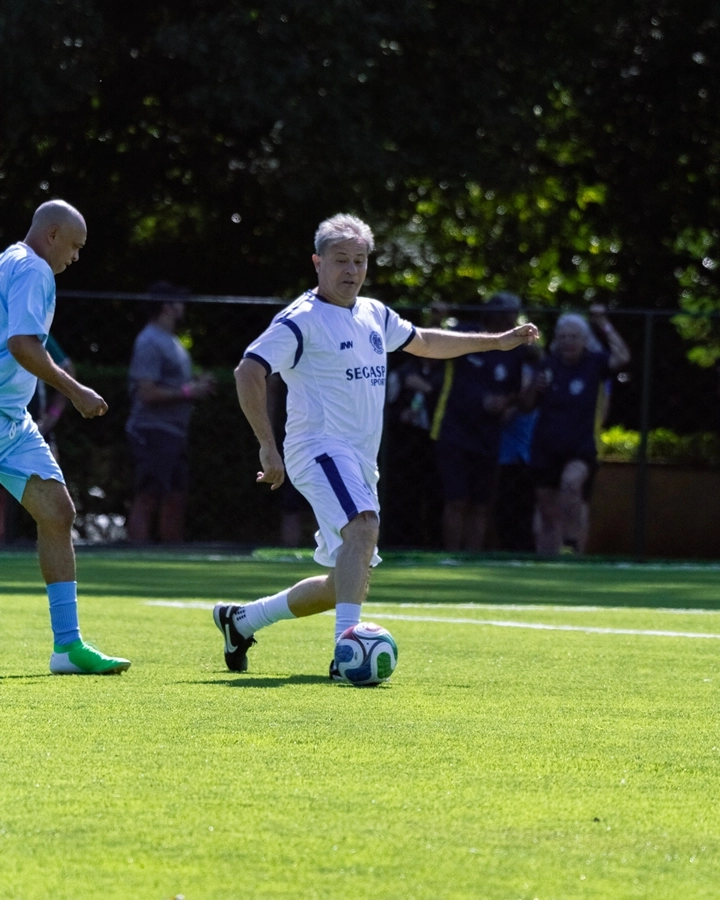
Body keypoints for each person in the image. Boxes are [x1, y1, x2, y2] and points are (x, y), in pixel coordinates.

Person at [213, 213, 539, 676]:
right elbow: (249, 370)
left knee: (345, 576)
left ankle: (242, 620)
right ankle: (346, 654)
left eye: (360, 261)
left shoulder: (374, 313)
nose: (351, 271)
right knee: (363, 528)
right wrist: (268, 445)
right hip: (318, 449)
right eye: (341, 260)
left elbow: (423, 340)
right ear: (317, 262)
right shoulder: (301, 320)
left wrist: (497, 342)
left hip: (359, 462)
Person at [0, 199, 130, 674]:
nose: (75, 256)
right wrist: (75, 390)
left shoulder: (13, 260)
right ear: (52, 234)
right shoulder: (34, 269)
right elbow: (22, 345)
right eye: (74, 245)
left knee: (57, 511)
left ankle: (67, 648)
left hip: (10, 422)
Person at [430, 292, 535, 551]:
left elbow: (520, 394)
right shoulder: (465, 333)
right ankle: (452, 556)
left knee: (481, 504)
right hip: (453, 430)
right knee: (456, 500)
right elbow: (430, 350)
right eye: (503, 311)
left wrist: (504, 402)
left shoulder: (516, 350)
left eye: (512, 312)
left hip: (489, 435)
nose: (508, 317)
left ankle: (471, 559)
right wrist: (435, 320)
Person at [527, 305, 631, 555]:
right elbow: (527, 404)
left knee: (572, 485)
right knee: (546, 508)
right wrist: (533, 388)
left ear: (584, 340)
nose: (568, 342)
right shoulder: (548, 365)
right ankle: (548, 561)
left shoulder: (595, 363)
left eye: (573, 337)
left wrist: (604, 324)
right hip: (546, 445)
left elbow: (623, 357)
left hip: (581, 446)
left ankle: (572, 544)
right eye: (563, 337)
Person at [125, 281, 216, 543]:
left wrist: (195, 385)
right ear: (167, 306)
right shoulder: (149, 341)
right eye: (178, 302)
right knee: (148, 494)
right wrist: (190, 392)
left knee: (176, 494)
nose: (183, 308)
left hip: (174, 432)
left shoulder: (172, 341)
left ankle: (171, 554)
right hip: (152, 431)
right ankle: (136, 557)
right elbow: (146, 392)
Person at [0, 333, 74, 543]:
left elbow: (68, 371)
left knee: (54, 501)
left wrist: (52, 418)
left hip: (34, 431)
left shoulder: (34, 331)